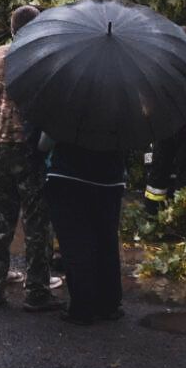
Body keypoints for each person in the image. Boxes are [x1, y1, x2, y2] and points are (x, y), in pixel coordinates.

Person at [0, 5, 63, 312]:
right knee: (37, 223)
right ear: (36, 27)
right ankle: (37, 292)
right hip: (31, 149)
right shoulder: (42, 57)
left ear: (11, 28)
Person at [41, 131, 127, 325]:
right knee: (107, 240)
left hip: (69, 176)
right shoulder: (123, 105)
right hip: (111, 178)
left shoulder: (69, 101)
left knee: (75, 243)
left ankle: (83, 307)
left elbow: (44, 143)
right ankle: (109, 305)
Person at [144, 26, 186, 212]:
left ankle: (152, 210)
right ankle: (183, 210)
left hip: (163, 118)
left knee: (160, 163)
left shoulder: (160, 57)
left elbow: (149, 91)